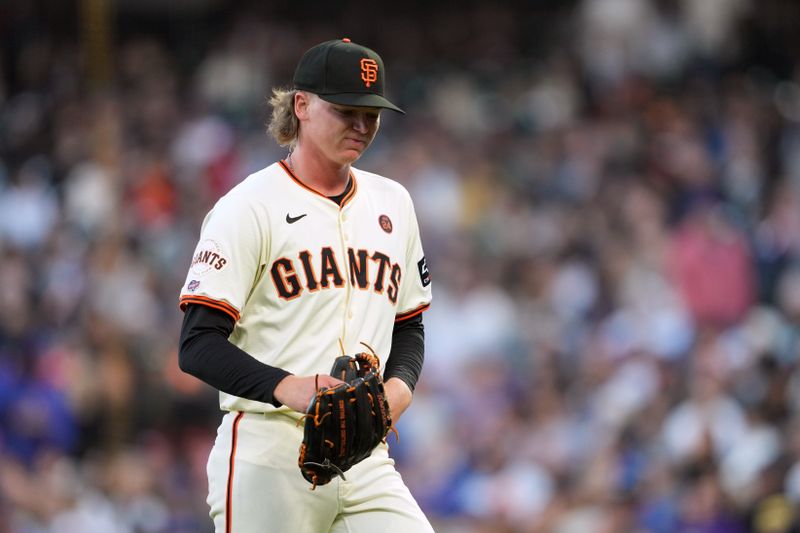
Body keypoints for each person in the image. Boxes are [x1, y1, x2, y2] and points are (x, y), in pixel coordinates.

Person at [177, 38, 434, 533]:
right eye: (346, 110)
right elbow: (196, 345)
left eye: (372, 114)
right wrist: (288, 387)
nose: (362, 126)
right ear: (302, 106)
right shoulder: (248, 206)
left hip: (365, 455)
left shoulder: (393, 203)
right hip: (268, 450)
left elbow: (410, 325)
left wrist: (398, 389)